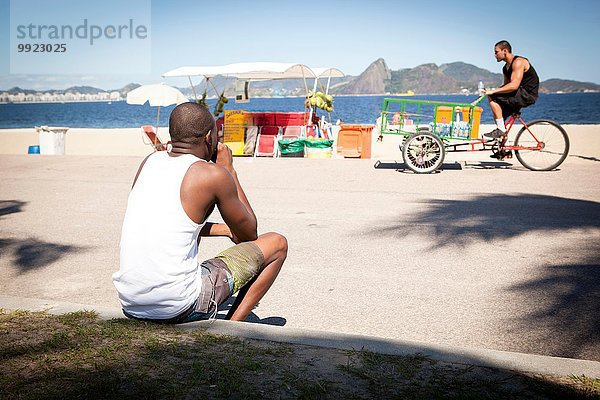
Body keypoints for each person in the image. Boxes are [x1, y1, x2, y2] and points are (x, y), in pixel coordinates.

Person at [113, 102, 287, 323]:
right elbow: (249, 235)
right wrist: (229, 170)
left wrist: (224, 230)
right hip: (179, 307)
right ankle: (230, 328)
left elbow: (168, 222)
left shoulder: (149, 162)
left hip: (132, 304)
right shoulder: (212, 174)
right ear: (208, 137)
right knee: (277, 243)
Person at [484, 40, 539, 140]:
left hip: (527, 94)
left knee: (492, 96)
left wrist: (492, 92)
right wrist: (491, 90)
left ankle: (501, 130)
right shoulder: (505, 68)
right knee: (498, 115)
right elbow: (506, 85)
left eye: (496, 52)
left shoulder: (518, 62)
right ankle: (505, 147)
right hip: (517, 94)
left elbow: (513, 85)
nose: (495, 55)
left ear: (505, 51)